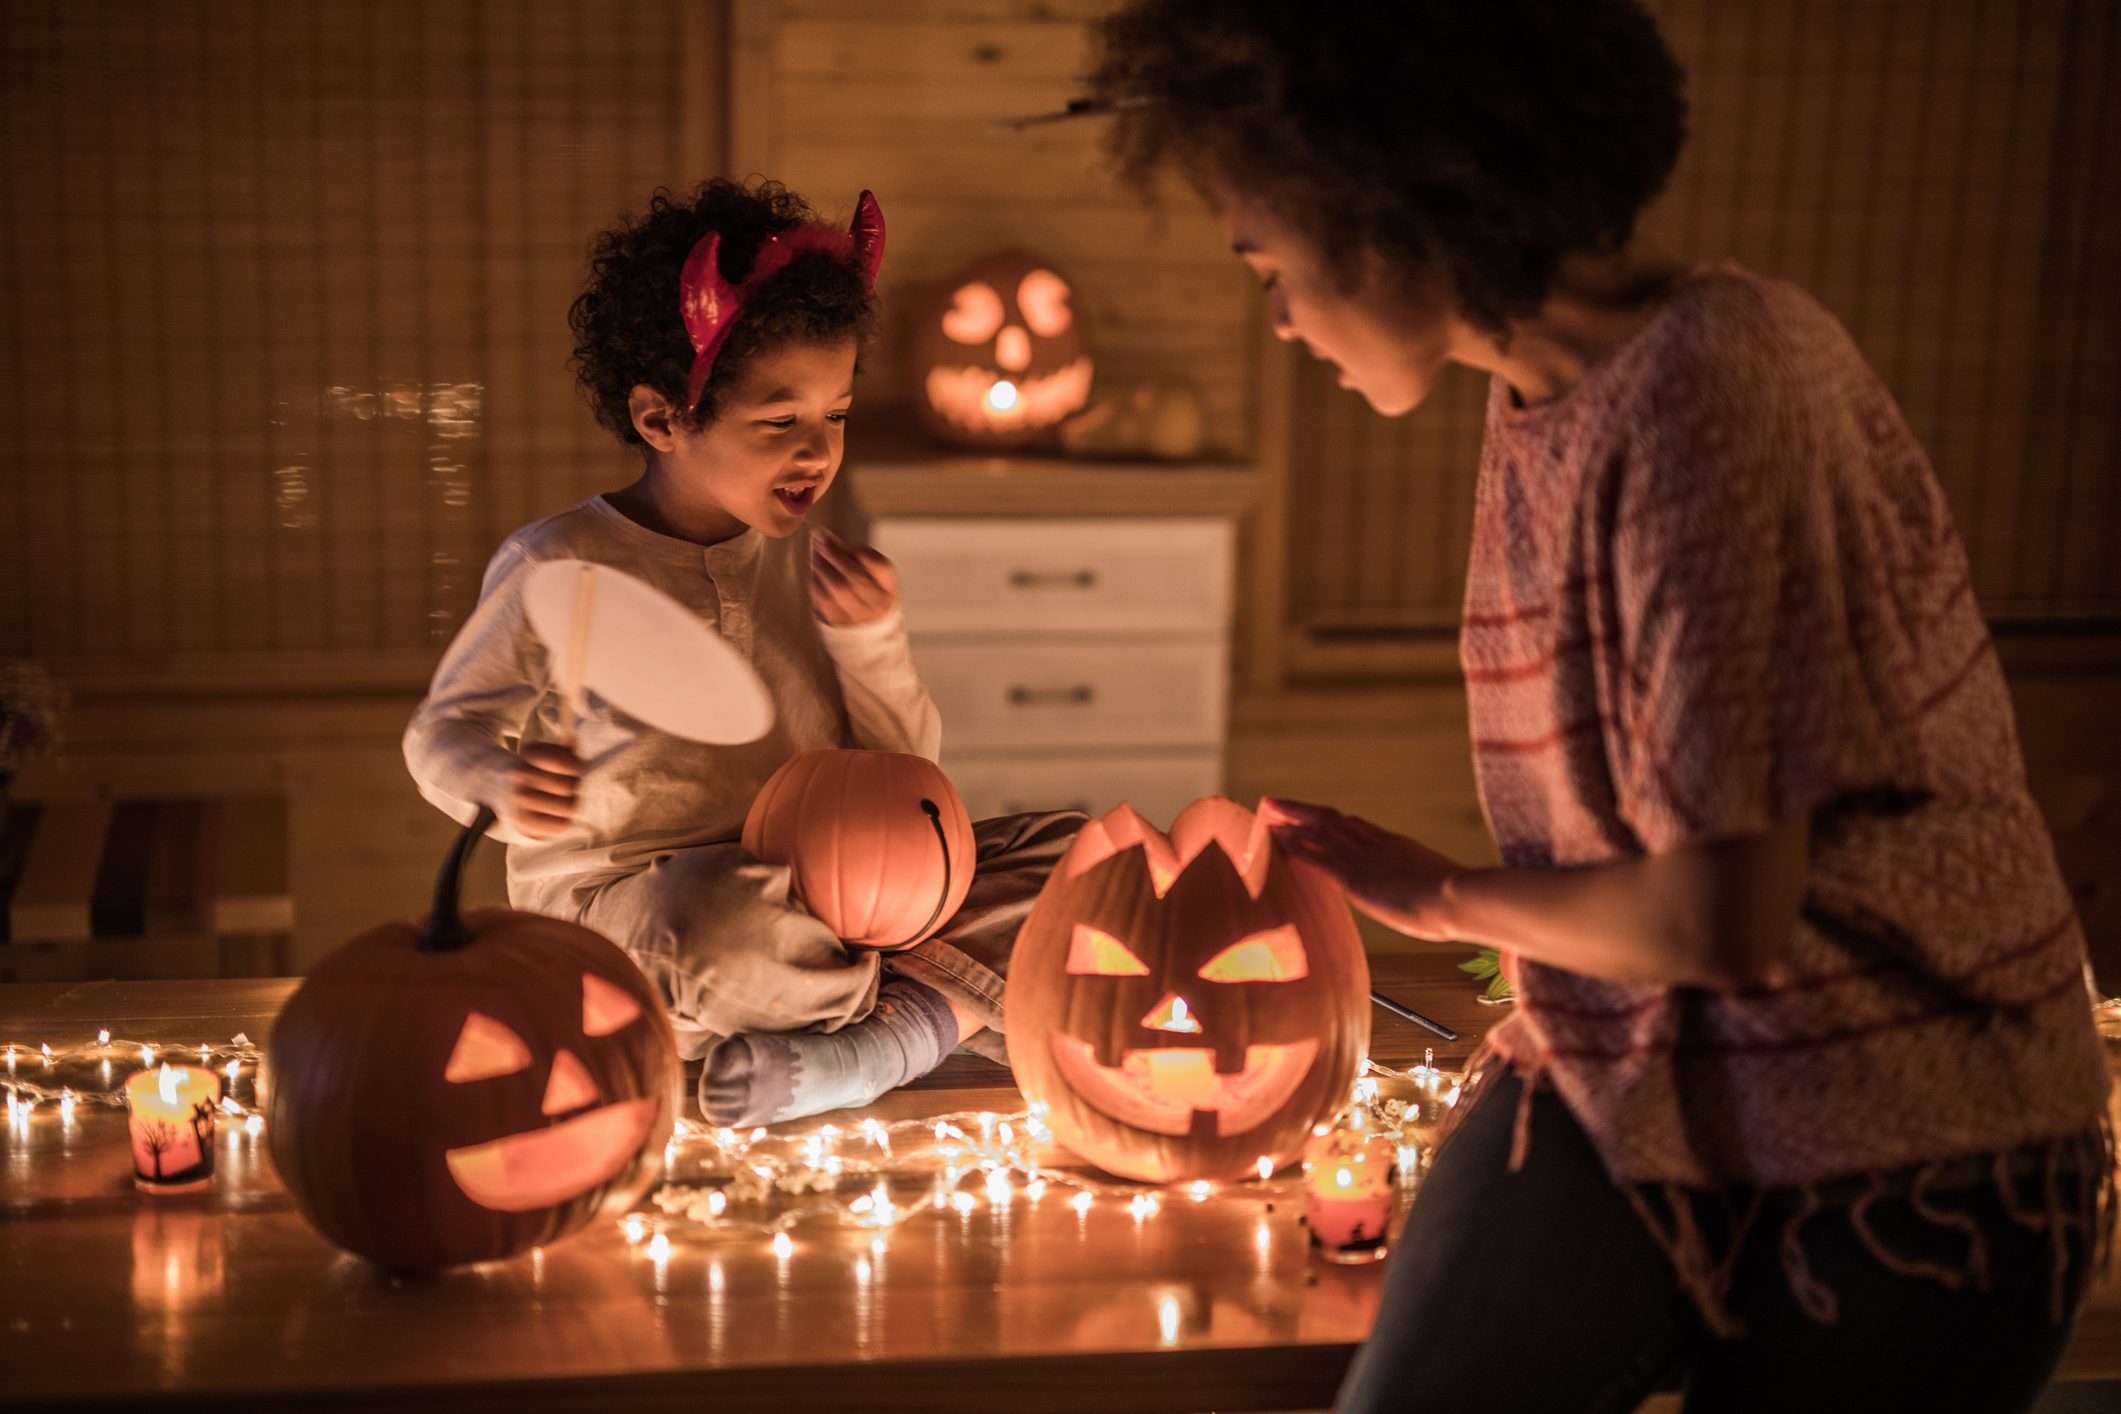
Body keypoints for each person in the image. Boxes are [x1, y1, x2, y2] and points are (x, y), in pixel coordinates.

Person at [1086, 3, 2111, 1410]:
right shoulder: (1537, 397)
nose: (1275, 314)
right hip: (1638, 1070)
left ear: (1389, 209)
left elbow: (1716, 918)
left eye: (1270, 262)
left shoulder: (1712, 391)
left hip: (1912, 1133)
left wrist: (1444, 899)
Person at [404, 178, 1078, 1128]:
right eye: (778, 423)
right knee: (715, 928)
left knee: (1076, 858)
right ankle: (921, 1014)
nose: (816, 452)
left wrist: (869, 642)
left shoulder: (807, 565)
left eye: (834, 416)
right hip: (637, 911)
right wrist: (500, 784)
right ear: (661, 420)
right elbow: (442, 733)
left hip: (831, 890)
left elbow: (911, 779)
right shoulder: (558, 564)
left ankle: (872, 1039)